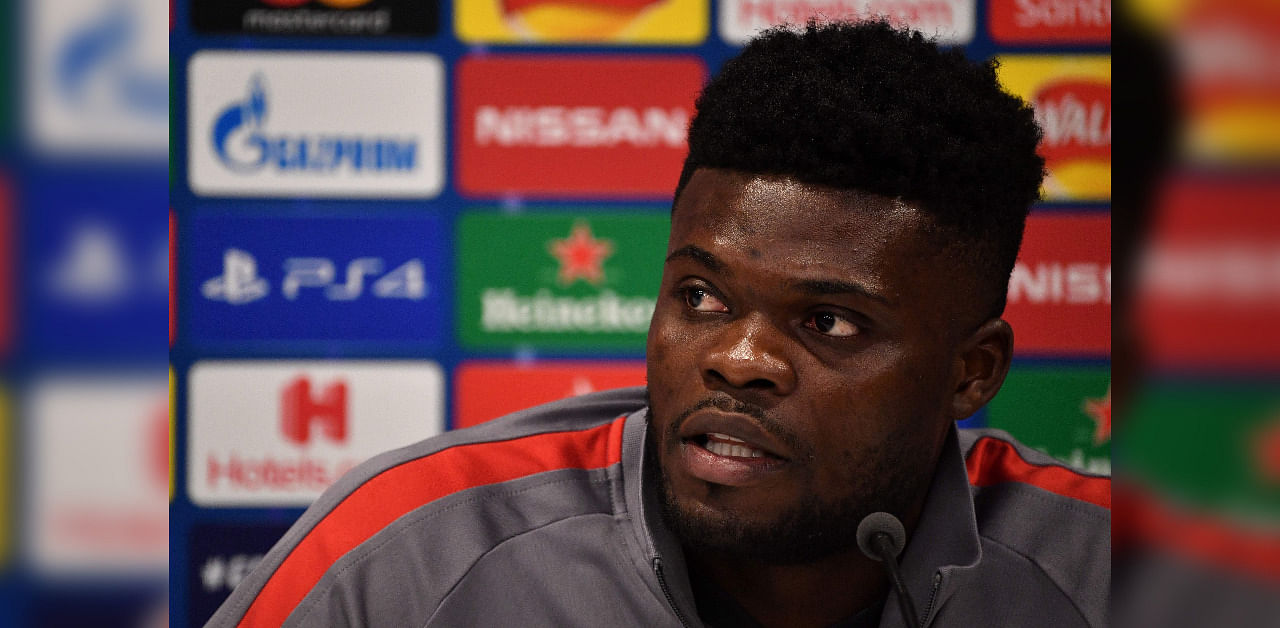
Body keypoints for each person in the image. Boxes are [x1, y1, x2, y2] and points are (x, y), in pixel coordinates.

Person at [207, 20, 1109, 628]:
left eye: (828, 322)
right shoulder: (406, 556)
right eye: (702, 298)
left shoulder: (1111, 572)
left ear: (972, 373)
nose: (738, 359)